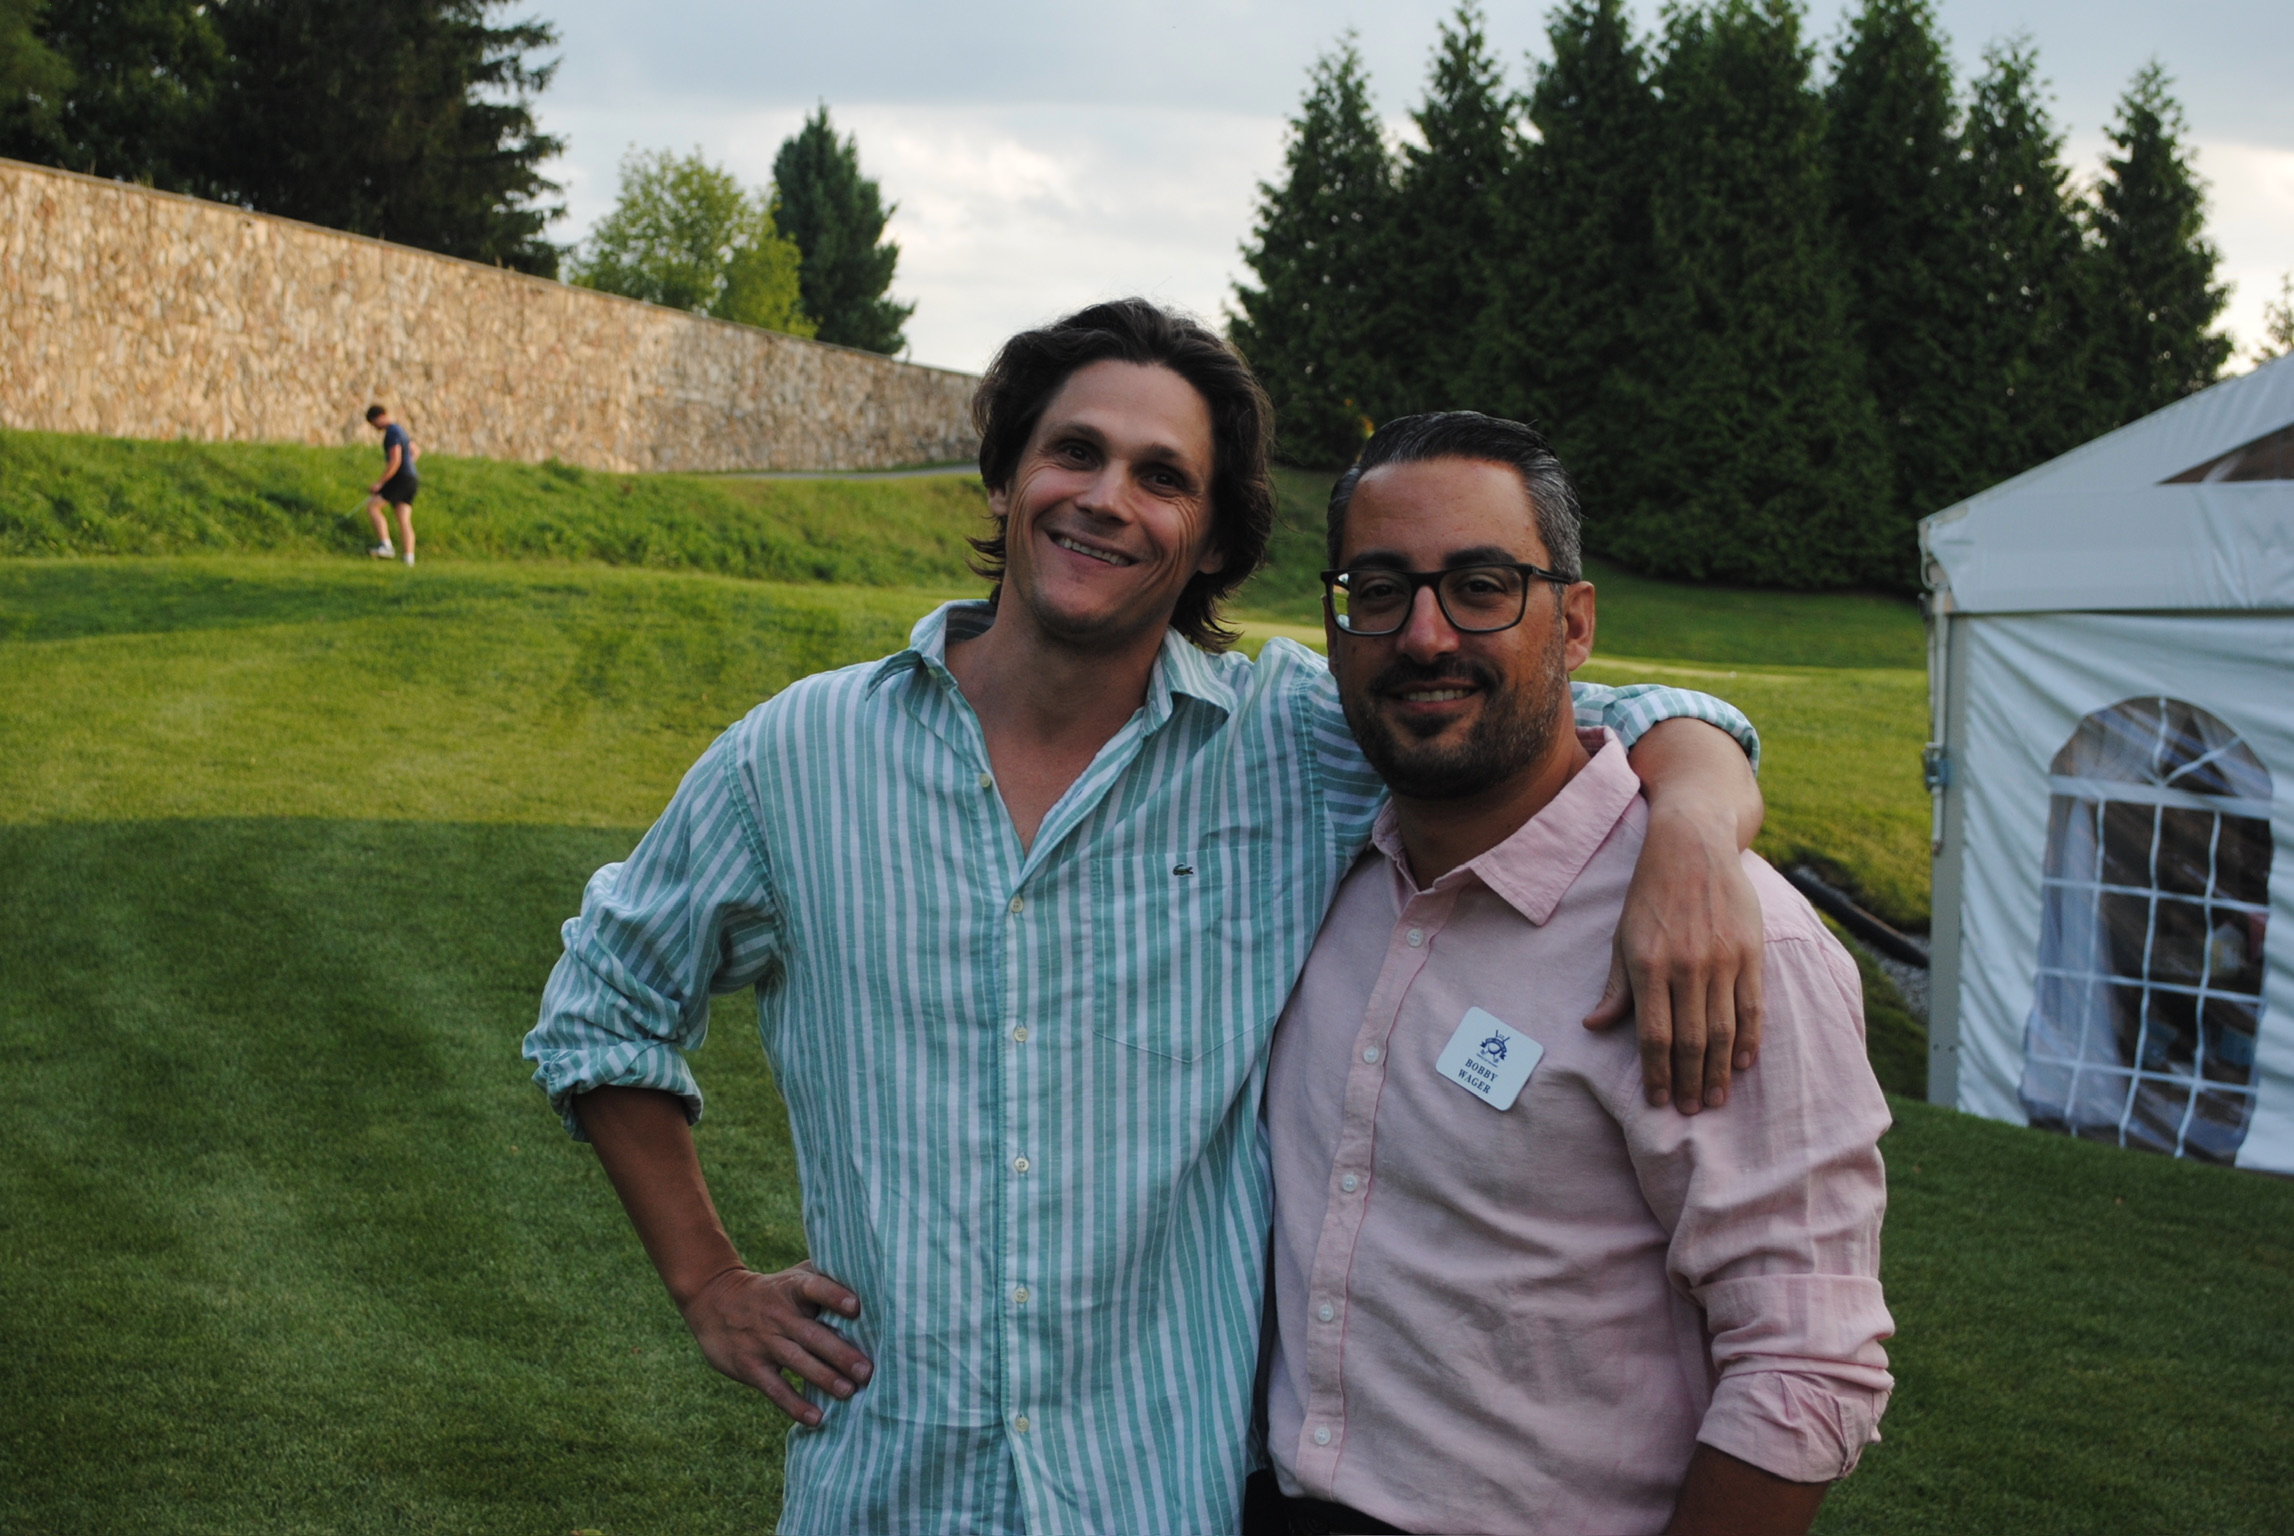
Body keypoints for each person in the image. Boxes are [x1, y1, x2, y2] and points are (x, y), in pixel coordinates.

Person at [523, 301, 1770, 1535]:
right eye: (1074, 451)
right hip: (883, 1492)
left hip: (1159, 1497)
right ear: (1005, 477)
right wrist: (707, 1280)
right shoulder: (798, 756)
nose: (1106, 498)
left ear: (1213, 538)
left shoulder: (1287, 747)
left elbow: (1573, 710)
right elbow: (603, 1005)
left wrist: (1693, 823)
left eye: (1162, 476)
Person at [1252, 412, 1893, 1536]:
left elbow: (1804, 1366)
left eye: (1482, 587)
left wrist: (1692, 815)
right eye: (1379, 590)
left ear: (1576, 623)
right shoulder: (1317, 859)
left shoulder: (1725, 939)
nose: (1424, 637)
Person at [364, 404, 418, 566]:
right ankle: (409, 559)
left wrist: (380, 483)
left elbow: (395, 459)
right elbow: (415, 451)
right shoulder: (401, 430)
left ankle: (385, 546)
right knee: (404, 518)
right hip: (412, 478)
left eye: (373, 424)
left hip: (400, 478)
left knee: (372, 507)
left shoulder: (391, 433)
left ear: (378, 418)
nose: (375, 428)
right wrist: (408, 465)